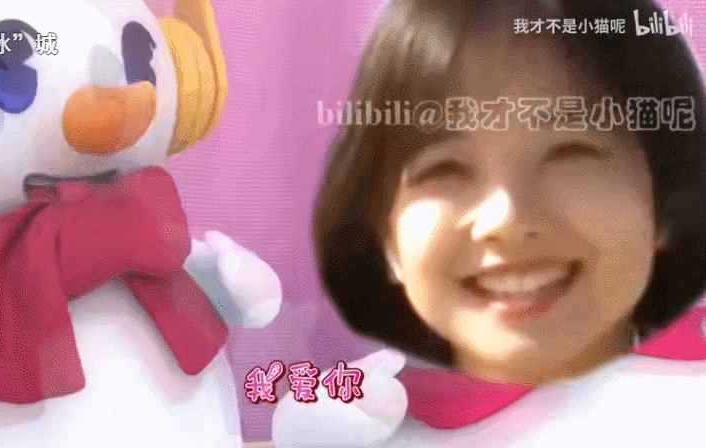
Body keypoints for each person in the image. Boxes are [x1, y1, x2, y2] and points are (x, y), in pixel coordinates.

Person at [272, 0, 706, 446]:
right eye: (445, 169)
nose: (507, 220)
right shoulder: (360, 426)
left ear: (665, 194)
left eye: (570, 152)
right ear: (385, 235)